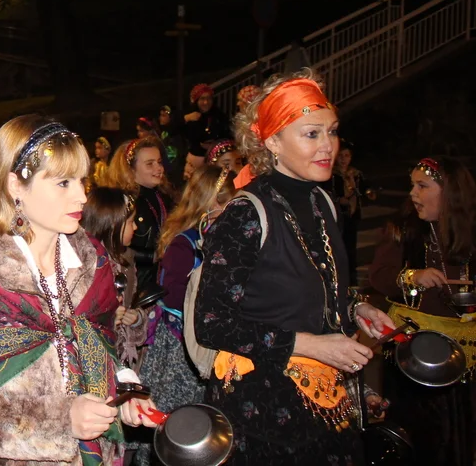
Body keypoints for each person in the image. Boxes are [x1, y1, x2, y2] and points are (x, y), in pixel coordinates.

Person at [194, 70, 394, 464]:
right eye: (311, 134)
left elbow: (314, 283)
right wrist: (311, 344)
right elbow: (212, 323)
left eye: (332, 132)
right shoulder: (245, 214)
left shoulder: (323, 202)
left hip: (327, 398)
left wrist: (355, 307)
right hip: (263, 411)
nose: (328, 146)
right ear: (273, 142)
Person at [0, 116, 156, 465]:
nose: (82, 196)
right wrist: (62, 422)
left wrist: (125, 390)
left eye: (82, 180)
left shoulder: (90, 264)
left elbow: (100, 345)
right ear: (15, 186)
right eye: (63, 182)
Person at [368, 156, 476, 466]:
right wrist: (413, 277)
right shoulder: (403, 229)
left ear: (450, 193)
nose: (413, 193)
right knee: (420, 438)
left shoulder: (469, 231)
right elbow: (379, 276)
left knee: (458, 434)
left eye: (422, 186)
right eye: (412, 185)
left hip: (465, 351)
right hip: (413, 353)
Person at [133, 165, 235, 466]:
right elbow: (172, 293)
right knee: (177, 412)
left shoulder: (225, 238)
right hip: (180, 346)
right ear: (210, 203)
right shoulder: (185, 243)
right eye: (228, 204)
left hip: (207, 341)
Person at [80, 186, 149, 371]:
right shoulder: (87, 264)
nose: (136, 227)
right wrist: (108, 318)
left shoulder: (126, 261)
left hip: (119, 359)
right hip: (94, 361)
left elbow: (131, 303)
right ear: (113, 225)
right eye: (131, 222)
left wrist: (136, 318)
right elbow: (80, 316)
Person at [106, 136, 172, 290]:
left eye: (159, 162)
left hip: (159, 280)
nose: (159, 168)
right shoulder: (124, 202)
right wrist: (154, 256)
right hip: (136, 284)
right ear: (131, 169)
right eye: (150, 164)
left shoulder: (164, 195)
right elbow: (114, 246)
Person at [331, 141, 375, 277]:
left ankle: (351, 274)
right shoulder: (331, 174)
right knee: (337, 243)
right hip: (337, 214)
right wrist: (338, 200)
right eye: (340, 156)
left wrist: (369, 192)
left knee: (351, 244)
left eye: (346, 156)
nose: (343, 159)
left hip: (352, 212)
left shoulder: (355, 174)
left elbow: (365, 187)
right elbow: (326, 192)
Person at [183, 84, 231, 161]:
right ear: (196, 101)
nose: (206, 102)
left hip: (215, 157)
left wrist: (214, 145)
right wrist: (186, 119)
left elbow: (226, 136)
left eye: (209, 98)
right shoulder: (189, 115)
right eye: (202, 99)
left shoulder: (218, 115)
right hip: (193, 158)